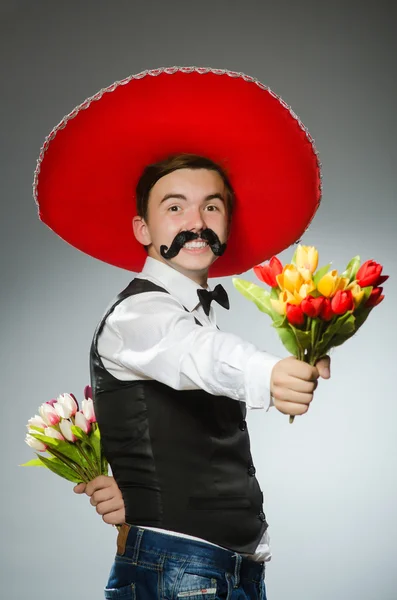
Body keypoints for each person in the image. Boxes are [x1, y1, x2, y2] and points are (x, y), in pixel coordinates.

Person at [34, 67, 327, 599]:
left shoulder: (192, 314)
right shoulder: (139, 315)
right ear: (143, 230)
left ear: (225, 225)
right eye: (175, 207)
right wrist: (270, 372)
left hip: (224, 570)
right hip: (182, 572)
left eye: (211, 206)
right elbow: (201, 355)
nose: (197, 220)